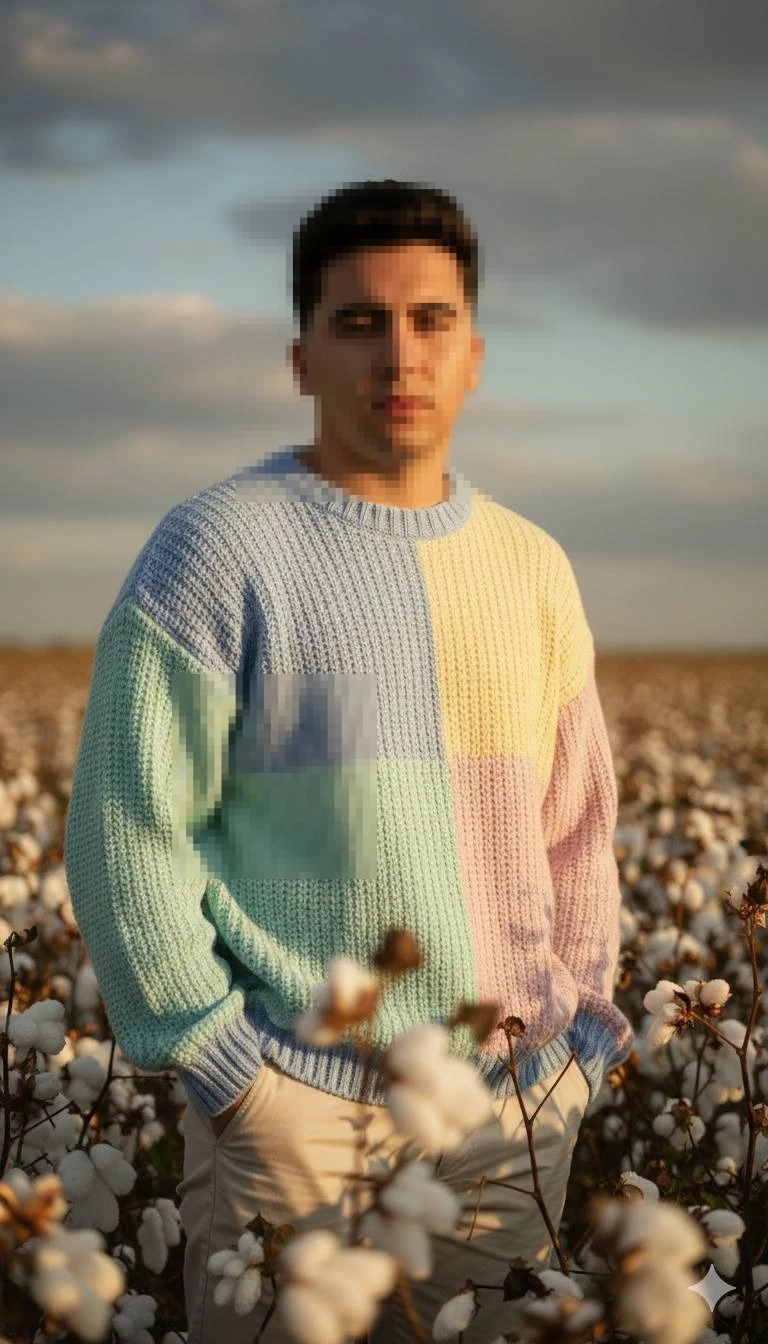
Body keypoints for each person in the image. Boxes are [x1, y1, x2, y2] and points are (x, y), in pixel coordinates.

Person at [64, 178, 635, 1343]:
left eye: (430, 321)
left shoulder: (534, 568)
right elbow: (126, 833)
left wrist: (578, 1055)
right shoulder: (215, 551)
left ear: (474, 353)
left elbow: (577, 831)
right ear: (302, 356)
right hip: (293, 1129)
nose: (398, 355)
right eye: (359, 322)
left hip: (510, 1127)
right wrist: (234, 1076)